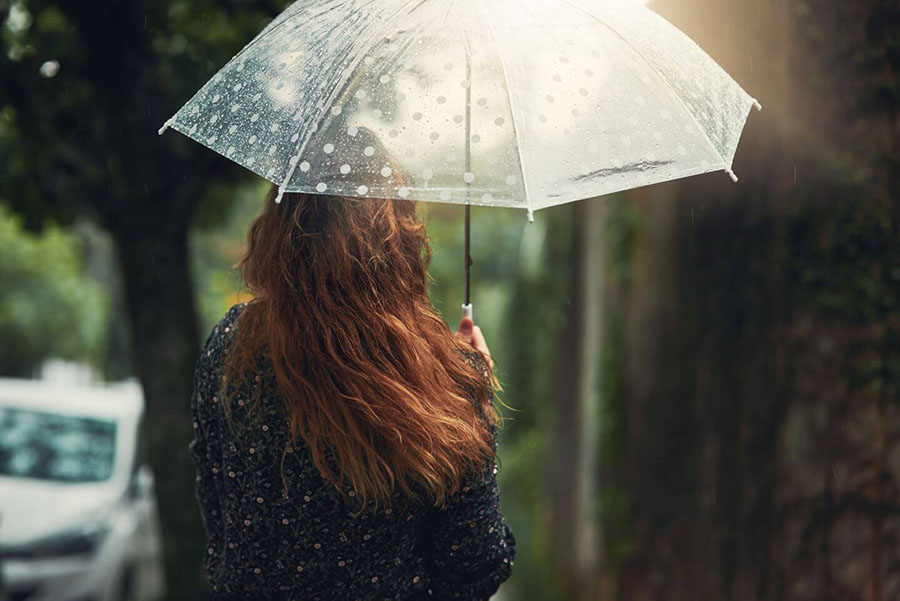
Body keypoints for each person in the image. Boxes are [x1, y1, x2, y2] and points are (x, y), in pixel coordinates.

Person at [188, 184, 516, 601]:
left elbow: (216, 506)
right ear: (399, 238)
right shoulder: (445, 380)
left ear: (279, 229)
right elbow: (473, 569)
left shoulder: (233, 346)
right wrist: (473, 396)